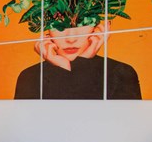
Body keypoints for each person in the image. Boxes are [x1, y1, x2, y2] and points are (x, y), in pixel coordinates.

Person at [13, 24, 141, 99]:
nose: (71, 38)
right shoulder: (30, 76)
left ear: (99, 28)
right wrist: (62, 68)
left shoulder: (120, 72)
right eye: (59, 25)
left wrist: (81, 65)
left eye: (81, 24)